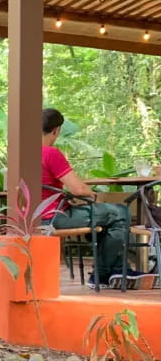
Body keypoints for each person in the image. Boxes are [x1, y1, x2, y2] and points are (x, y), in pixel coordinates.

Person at [41, 107, 130, 287]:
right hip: (53, 217)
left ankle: (118, 268)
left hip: (29, 217)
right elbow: (78, 189)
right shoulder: (50, 153)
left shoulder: (21, 153)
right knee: (119, 213)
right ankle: (103, 274)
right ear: (56, 130)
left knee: (103, 220)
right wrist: (92, 194)